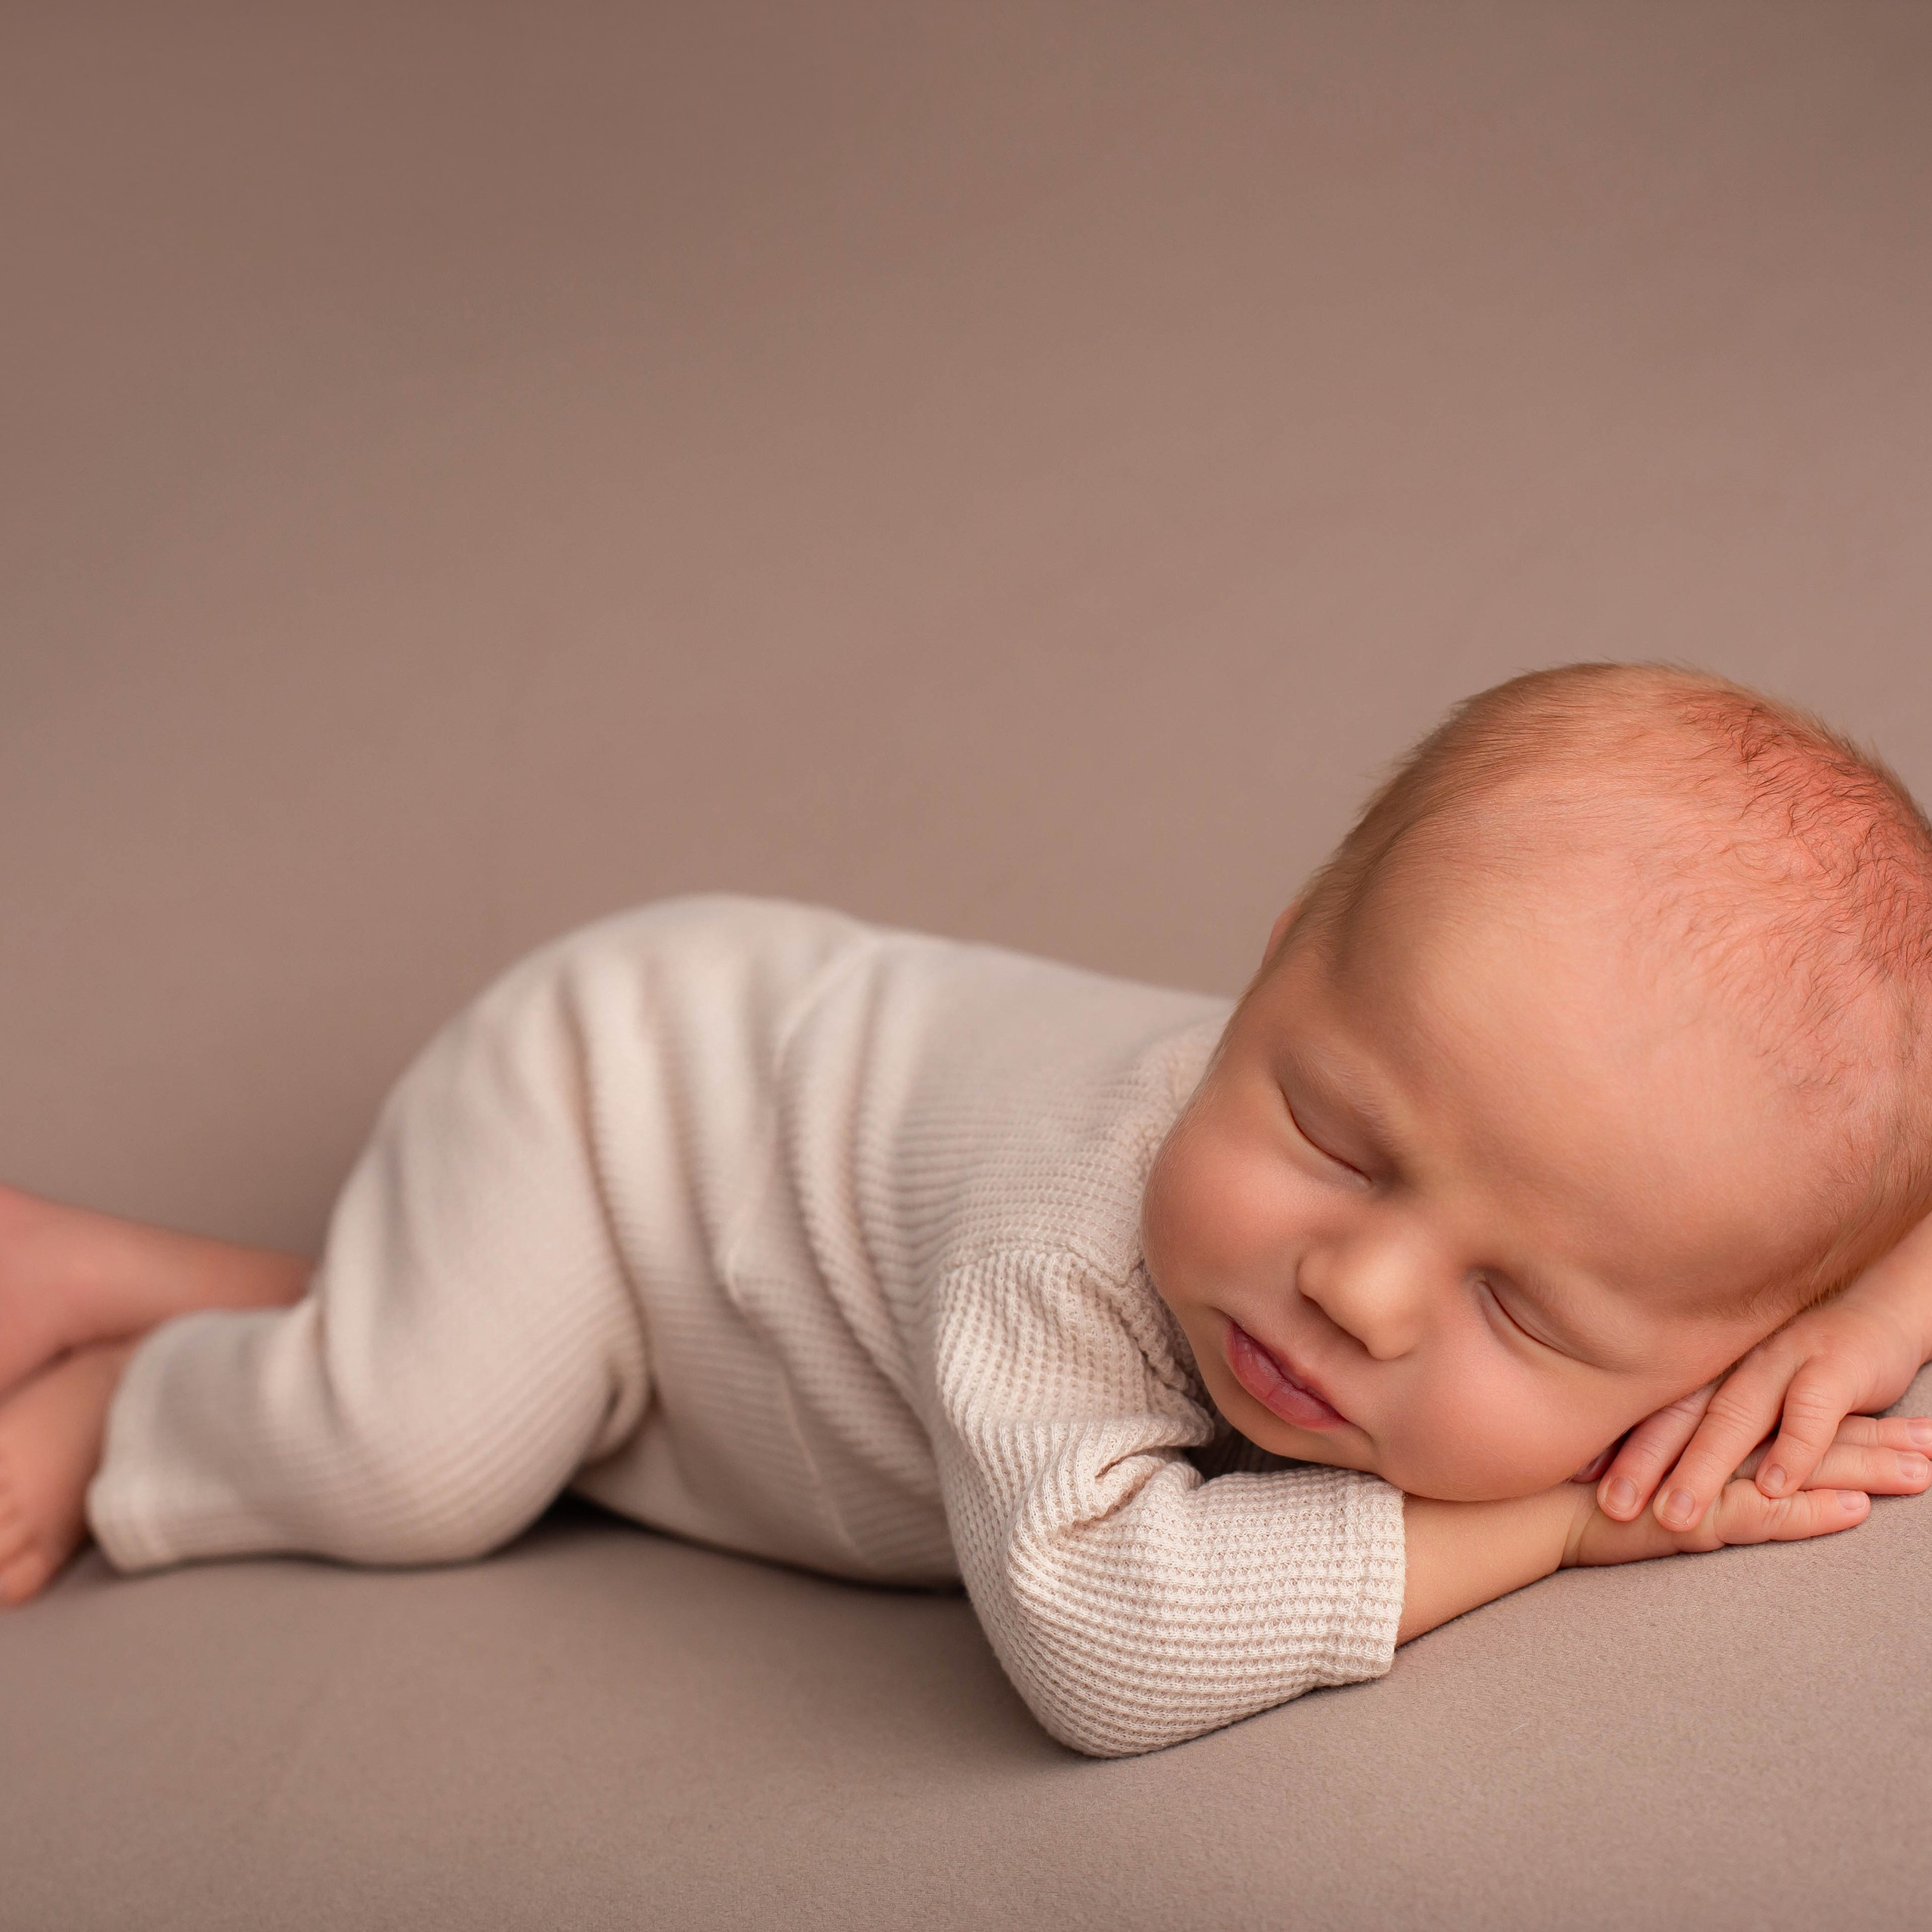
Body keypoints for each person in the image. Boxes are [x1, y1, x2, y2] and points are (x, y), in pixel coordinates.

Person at [2, 661, 1930, 1759]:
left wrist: (1857, 1321)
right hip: (614, 1117)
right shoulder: (1065, 1245)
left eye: (1525, 1308)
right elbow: (1104, 1646)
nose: (1350, 1282)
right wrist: (1564, 1517)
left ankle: (137, 1266)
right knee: (424, 1457)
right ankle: (137, 1400)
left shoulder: (1582, 1179)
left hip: (706, 1266)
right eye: (1336, 1133)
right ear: (1273, 966)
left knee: (520, 1381)